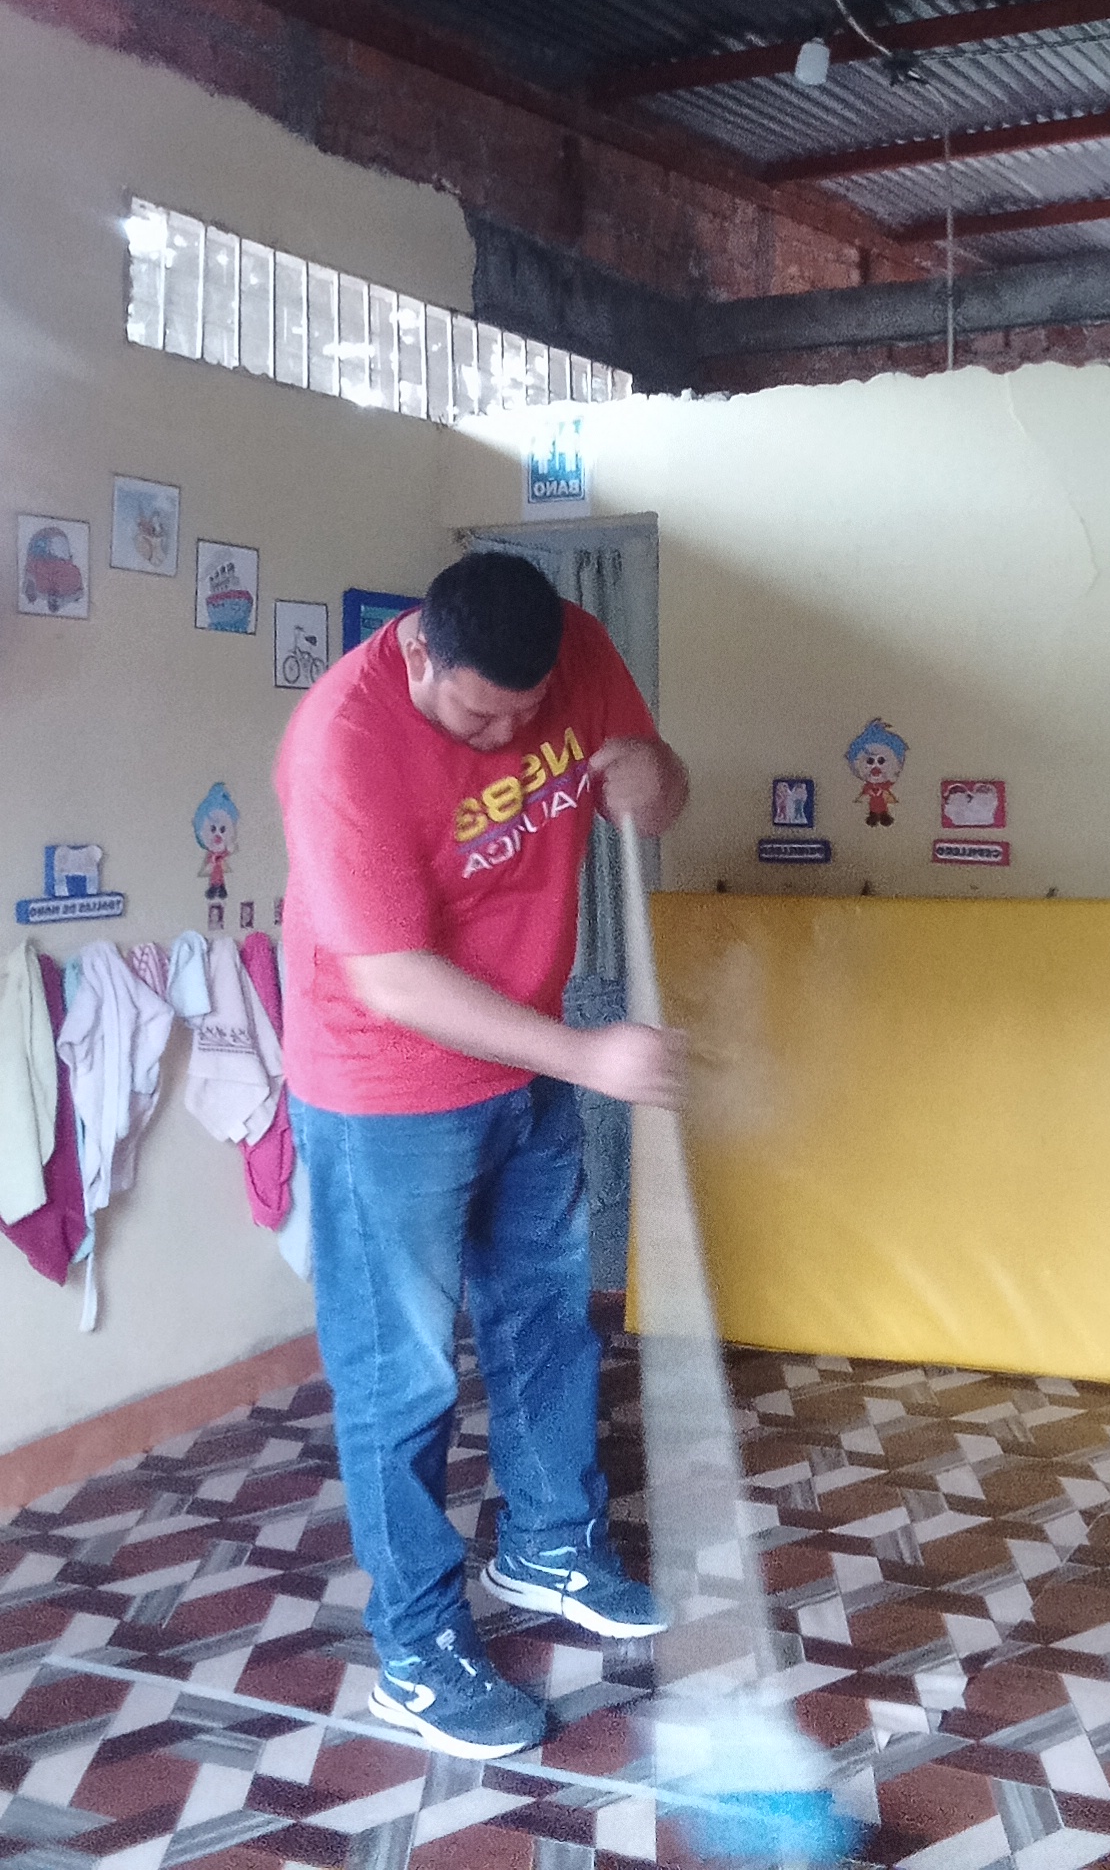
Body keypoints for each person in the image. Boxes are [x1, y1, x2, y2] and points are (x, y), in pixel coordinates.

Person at [275, 550, 689, 1763]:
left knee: (548, 1321)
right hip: (383, 1090)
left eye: (528, 714)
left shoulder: (574, 649)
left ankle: (550, 1544)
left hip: (525, 1063)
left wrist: (653, 775)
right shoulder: (342, 742)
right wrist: (583, 1054)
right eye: (478, 718)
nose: (509, 740)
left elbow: (658, 797)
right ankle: (416, 1652)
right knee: (400, 1377)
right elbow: (394, 981)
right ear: (418, 649)